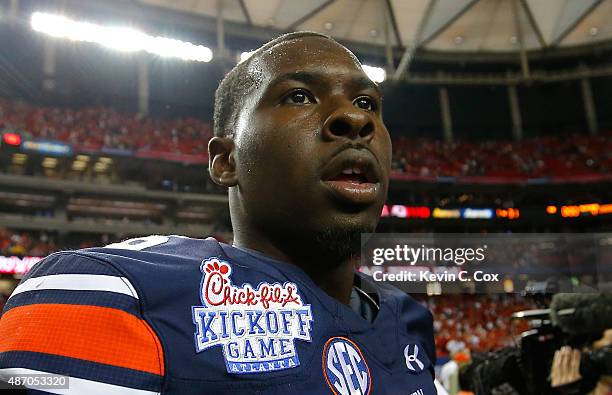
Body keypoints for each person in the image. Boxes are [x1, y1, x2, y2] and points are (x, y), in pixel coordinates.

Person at [0, 31, 436, 394]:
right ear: (226, 161)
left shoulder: (410, 320)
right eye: (300, 96)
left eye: (367, 104)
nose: (352, 119)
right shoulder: (116, 293)